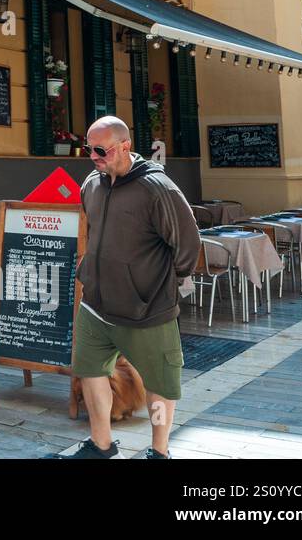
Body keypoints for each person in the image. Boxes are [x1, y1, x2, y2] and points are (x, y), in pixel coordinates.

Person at [55, 115, 199, 459]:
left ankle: (159, 451)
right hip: (96, 304)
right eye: (88, 149)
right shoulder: (91, 183)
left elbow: (188, 244)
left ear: (125, 146)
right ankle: (101, 445)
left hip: (147, 310)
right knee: (90, 372)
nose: (93, 156)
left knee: (160, 385)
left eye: (101, 149)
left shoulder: (157, 189)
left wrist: (158, 285)